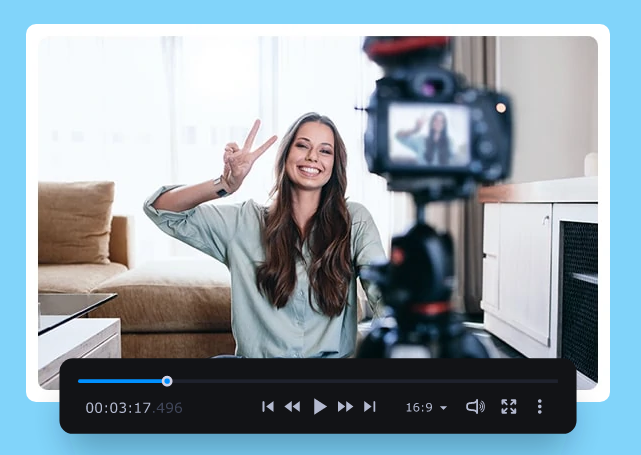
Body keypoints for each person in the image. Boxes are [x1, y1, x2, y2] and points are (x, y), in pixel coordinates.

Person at [143, 113, 386, 358]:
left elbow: (382, 294)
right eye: (302, 145)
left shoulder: (355, 219)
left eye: (325, 151)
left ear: (335, 164)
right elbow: (160, 209)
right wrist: (225, 184)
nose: (313, 156)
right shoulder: (243, 222)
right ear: (285, 154)